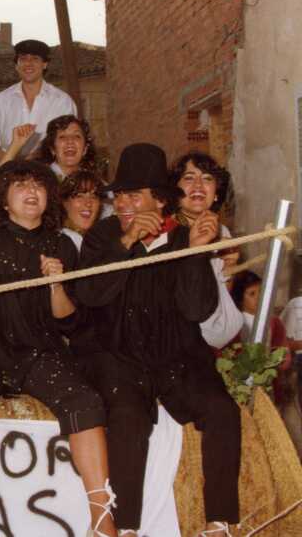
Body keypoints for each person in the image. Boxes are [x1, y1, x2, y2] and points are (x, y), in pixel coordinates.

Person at [0, 160, 116, 537]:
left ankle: (102, 519)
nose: (31, 192)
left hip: (35, 348)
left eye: (38, 185)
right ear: (4, 199)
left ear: (48, 196)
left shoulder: (61, 244)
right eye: (20, 186)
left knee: (85, 400)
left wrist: (56, 283)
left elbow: (67, 319)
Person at [76, 143, 240, 537]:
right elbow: (89, 294)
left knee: (222, 410)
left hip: (175, 354)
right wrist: (126, 242)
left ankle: (219, 522)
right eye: (119, 196)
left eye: (135, 195)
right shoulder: (103, 235)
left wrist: (198, 254)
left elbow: (197, 308)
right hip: (118, 354)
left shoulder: (184, 236)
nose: (124, 203)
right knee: (127, 417)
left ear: (161, 200)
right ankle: (126, 527)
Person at [169, 152, 243, 348]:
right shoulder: (166, 232)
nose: (199, 186)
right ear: (175, 190)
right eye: (189, 178)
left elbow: (221, 293)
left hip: (215, 340)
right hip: (180, 338)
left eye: (207, 178)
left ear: (216, 192)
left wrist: (230, 267)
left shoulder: (221, 230)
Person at [0, 40, 77, 162]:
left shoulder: (62, 101)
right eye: (23, 59)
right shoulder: (1, 100)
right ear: (16, 65)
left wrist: (33, 160)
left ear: (45, 64)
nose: (28, 63)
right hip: (7, 169)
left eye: (35, 59)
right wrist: (6, 159)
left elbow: (67, 139)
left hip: (48, 171)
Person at [230, 271, 301, 404]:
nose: (259, 297)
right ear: (240, 298)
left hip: (271, 388)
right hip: (240, 390)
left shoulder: (274, 322)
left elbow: (284, 356)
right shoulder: (234, 324)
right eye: (252, 294)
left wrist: (273, 361)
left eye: (261, 291)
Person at [59, 170, 104, 251]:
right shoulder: (59, 242)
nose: (88, 203)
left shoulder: (101, 240)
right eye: (79, 196)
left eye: (94, 197)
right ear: (64, 202)